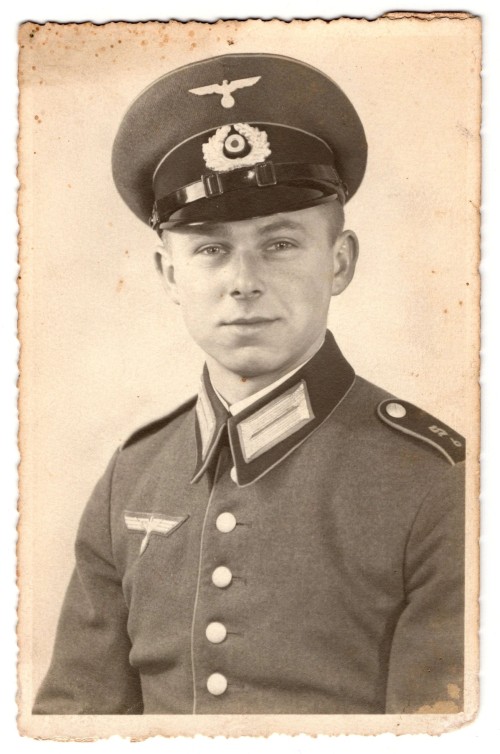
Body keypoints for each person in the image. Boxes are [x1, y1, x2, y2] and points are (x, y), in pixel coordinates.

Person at [33, 53, 465, 715]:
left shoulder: (439, 482)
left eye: (281, 243)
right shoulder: (133, 474)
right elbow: (74, 724)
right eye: (209, 248)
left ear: (340, 262)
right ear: (170, 275)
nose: (243, 280)